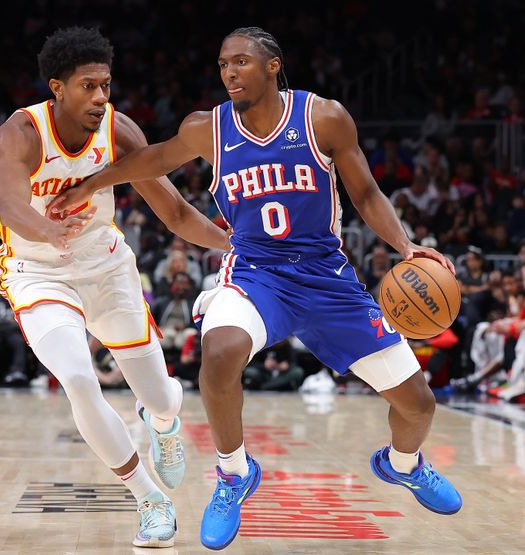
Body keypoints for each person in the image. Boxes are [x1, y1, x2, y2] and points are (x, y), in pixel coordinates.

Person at [49, 26, 462, 550]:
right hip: (256, 273)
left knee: (418, 405)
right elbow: (152, 160)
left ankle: (403, 465)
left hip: (325, 278)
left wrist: (407, 248)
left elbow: (367, 193)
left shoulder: (324, 117)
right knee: (219, 352)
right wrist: (89, 184)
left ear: (272, 66)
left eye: (241, 61)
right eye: (223, 64)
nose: (229, 72)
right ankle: (233, 473)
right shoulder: (208, 128)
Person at [0, 27, 229, 548]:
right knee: (77, 377)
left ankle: (162, 422)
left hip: (106, 268)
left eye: (106, 85)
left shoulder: (119, 132)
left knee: (162, 396)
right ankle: (150, 500)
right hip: (38, 271)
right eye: (88, 86)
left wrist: (231, 244)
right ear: (57, 87)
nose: (101, 97)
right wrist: (45, 230)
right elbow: (9, 203)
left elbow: (173, 211)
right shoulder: (21, 133)